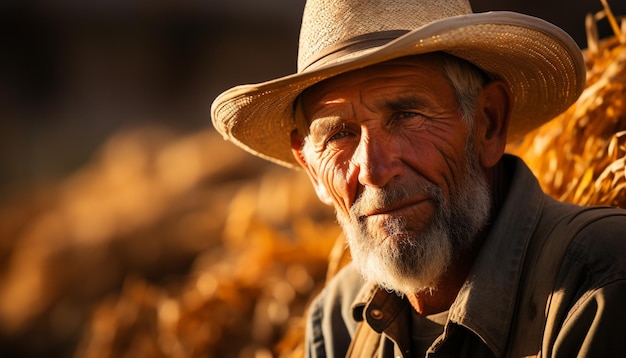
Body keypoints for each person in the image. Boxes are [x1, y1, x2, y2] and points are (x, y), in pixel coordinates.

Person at [211, 0, 626, 356]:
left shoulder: (598, 284)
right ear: (312, 169)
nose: (374, 170)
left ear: (488, 122)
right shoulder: (340, 317)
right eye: (340, 134)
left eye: (407, 116)